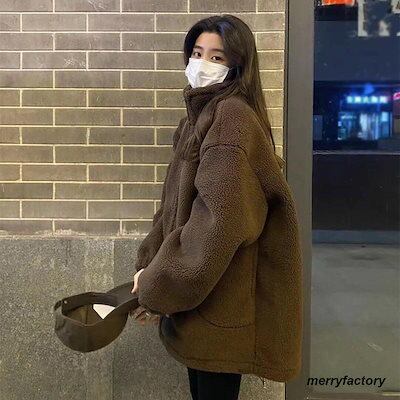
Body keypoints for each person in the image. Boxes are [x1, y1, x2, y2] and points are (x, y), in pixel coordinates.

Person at [129, 14, 303, 400]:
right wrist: (150, 264)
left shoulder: (230, 118)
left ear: (237, 66)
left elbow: (218, 222)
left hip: (221, 301)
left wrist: (160, 284)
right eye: (196, 53)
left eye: (216, 57)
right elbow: (172, 206)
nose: (202, 64)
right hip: (204, 300)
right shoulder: (199, 118)